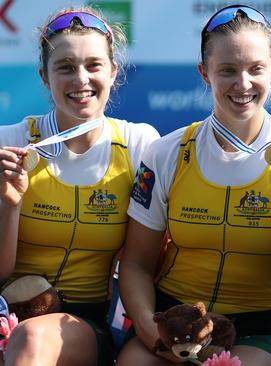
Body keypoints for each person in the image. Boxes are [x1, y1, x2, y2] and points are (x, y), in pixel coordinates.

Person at [116, 5, 271, 366]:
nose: (242, 84)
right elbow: (135, 265)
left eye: (255, 69)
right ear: (204, 73)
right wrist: (159, 337)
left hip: (257, 329)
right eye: (227, 70)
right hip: (172, 321)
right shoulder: (166, 152)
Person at [0, 7, 159, 366]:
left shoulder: (139, 144)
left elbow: (152, 259)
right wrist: (9, 206)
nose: (81, 79)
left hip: (82, 324)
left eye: (93, 65)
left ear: (114, 71)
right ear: (45, 76)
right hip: (4, 310)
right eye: (65, 67)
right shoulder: (10, 142)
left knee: (31, 339)